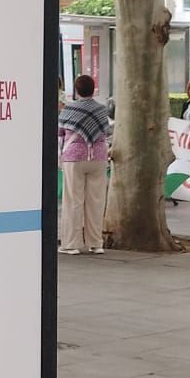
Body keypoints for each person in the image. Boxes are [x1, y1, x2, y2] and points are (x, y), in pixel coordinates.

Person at [57, 73, 113, 255]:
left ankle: (71, 244)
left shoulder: (69, 109)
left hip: (74, 158)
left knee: (73, 201)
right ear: (93, 89)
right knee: (96, 201)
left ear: (76, 90)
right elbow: (106, 131)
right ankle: (96, 243)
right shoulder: (101, 109)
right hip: (98, 157)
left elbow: (60, 133)